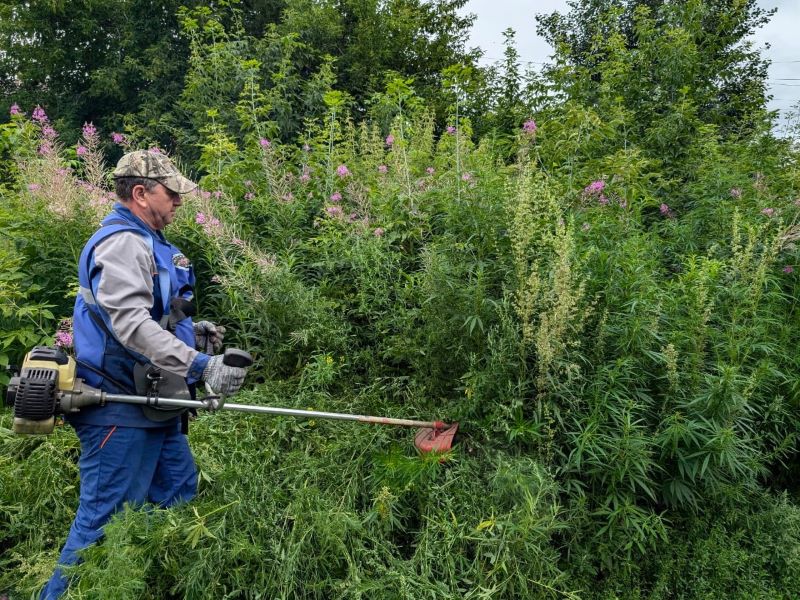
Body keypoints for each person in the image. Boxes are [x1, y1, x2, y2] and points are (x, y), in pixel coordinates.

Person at [41, 150, 248, 599]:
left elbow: (158, 315)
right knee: (102, 523)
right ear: (140, 193)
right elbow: (131, 325)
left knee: (176, 492)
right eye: (170, 192)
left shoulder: (153, 243)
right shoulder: (121, 244)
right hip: (117, 406)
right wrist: (199, 365)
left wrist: (195, 333)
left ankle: (126, 583)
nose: (178, 201)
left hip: (156, 405)